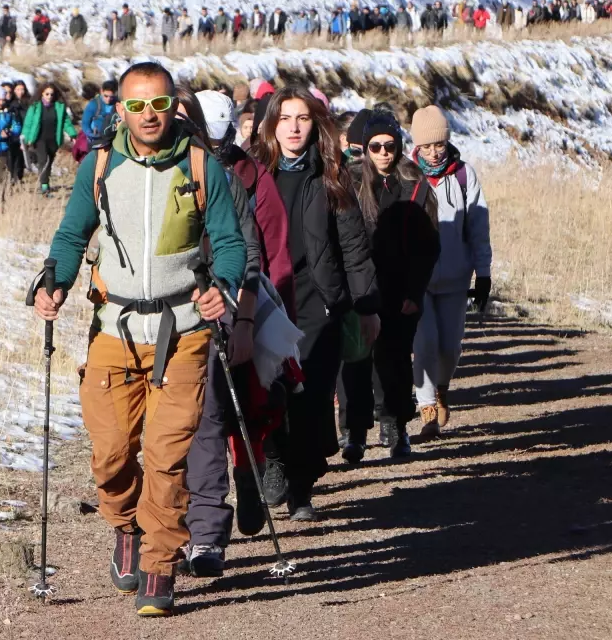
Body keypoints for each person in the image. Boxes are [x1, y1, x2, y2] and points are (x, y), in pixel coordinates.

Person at [33, 60, 245, 617]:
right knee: (110, 455)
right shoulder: (99, 165)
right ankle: (125, 524)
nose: (148, 115)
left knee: (167, 454)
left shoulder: (202, 167)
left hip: (185, 331)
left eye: (158, 104)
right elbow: (73, 233)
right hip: (115, 328)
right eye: (136, 105)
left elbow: (229, 243)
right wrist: (54, 280)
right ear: (120, 109)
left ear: (174, 105)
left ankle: (158, 566)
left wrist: (222, 286)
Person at [181, 89, 297, 578]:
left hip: (227, 311)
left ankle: (238, 489)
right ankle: (184, 527)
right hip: (163, 320)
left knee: (235, 410)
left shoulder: (234, 181)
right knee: (187, 426)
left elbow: (258, 251)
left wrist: (246, 316)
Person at [253, 86, 379, 520]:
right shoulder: (253, 173)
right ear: (271, 125)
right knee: (267, 390)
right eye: (285, 118)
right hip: (266, 297)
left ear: (315, 124)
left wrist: (365, 305)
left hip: (317, 300)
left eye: (302, 118)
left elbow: (353, 245)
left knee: (311, 397)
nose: (293, 127)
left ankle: (302, 489)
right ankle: (274, 461)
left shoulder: (331, 175)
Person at [347, 111, 440, 460]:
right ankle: (354, 432)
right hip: (359, 287)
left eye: (390, 145)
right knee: (356, 363)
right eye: (376, 146)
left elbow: (428, 246)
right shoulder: (350, 184)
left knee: (396, 361)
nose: (384, 153)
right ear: (365, 150)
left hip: (401, 291)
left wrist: (415, 292)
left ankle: (397, 425)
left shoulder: (415, 185)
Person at [410, 105, 492, 439]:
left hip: (456, 277)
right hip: (417, 280)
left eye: (439, 144)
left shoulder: (463, 176)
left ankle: (442, 387)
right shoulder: (406, 175)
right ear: (416, 145)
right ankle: (426, 405)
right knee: (424, 341)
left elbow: (478, 226)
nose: (433, 152)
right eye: (426, 146)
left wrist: (483, 273)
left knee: (450, 347)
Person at [22, 84, 77, 195]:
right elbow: (28, 123)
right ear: (42, 93)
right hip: (39, 139)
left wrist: (72, 134)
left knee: (49, 161)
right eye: (47, 94)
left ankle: (45, 181)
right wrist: (26, 138)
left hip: (53, 139)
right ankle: (44, 185)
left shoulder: (59, 107)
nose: (49, 96)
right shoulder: (35, 106)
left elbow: (66, 122)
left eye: (51, 94)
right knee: (44, 160)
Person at [79, 78, 117, 147]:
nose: (108, 99)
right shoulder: (93, 104)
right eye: (106, 96)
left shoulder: (117, 104)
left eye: (111, 97)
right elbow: (85, 123)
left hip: (113, 140)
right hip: (96, 140)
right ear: (101, 91)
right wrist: (92, 135)